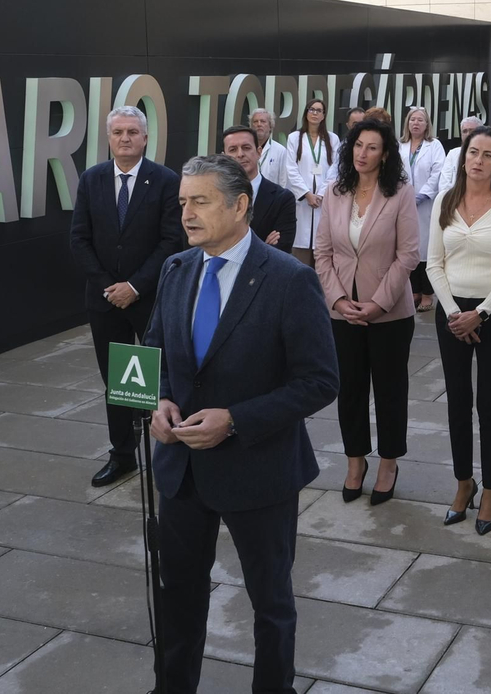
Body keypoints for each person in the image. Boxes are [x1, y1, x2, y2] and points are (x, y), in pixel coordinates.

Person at [144, 155, 338, 694]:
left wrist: (235, 421)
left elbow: (320, 381)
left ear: (240, 205)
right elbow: (155, 348)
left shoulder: (289, 280)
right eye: (183, 202)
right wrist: (156, 402)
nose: (186, 213)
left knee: (270, 604)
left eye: (200, 201)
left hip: (260, 472)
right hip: (181, 472)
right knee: (178, 595)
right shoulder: (177, 269)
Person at [69, 105, 186, 487]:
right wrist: (111, 287)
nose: (125, 138)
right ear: (108, 138)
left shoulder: (166, 180)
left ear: (146, 137)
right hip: (105, 302)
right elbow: (79, 239)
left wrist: (135, 286)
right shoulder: (92, 179)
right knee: (118, 383)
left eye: (132, 132)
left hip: (150, 299)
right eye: (118, 132)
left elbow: (171, 239)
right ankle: (123, 455)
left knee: (163, 379)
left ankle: (169, 451)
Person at [314, 119, 420, 504]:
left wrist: (378, 303)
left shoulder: (400, 194)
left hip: (389, 313)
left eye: (372, 147)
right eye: (358, 145)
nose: (363, 153)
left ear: (386, 153)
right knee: (350, 390)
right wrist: (339, 301)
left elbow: (408, 255)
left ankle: (388, 462)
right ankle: (355, 461)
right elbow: (322, 254)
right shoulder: (334, 191)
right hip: (342, 312)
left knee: (390, 390)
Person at [427, 126, 491, 535]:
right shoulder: (444, 201)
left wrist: (480, 314)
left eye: (488, 154)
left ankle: (490, 489)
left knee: (489, 403)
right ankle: (463, 482)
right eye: (473, 152)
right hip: (451, 313)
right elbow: (433, 263)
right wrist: (454, 313)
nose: (479, 160)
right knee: (457, 402)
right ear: (463, 157)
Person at [401, 106, 447, 312]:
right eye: (413, 120)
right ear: (407, 123)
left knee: (427, 249)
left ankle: (428, 293)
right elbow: (392, 170)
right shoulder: (400, 145)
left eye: (420, 120)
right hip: (403, 203)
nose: (416, 123)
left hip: (426, 204)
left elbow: (438, 172)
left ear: (427, 124)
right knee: (408, 246)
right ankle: (414, 290)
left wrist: (422, 195)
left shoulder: (434, 145)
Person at [223, 125, 296, 253]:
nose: (240, 154)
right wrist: (263, 245)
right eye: (233, 149)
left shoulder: (282, 199)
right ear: (224, 157)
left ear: (259, 152)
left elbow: (281, 250)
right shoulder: (215, 197)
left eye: (246, 148)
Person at [287, 98, 340, 266]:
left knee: (322, 251)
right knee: (300, 251)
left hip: (323, 201)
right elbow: (291, 168)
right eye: (312, 109)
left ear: (324, 115)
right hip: (302, 201)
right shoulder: (294, 138)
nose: (315, 113)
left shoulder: (332, 139)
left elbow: (335, 169)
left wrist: (321, 194)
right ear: (306, 113)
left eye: (319, 110)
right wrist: (306, 194)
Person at [250, 108, 304, 197]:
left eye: (263, 121)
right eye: (255, 122)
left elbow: (284, 182)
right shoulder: (245, 150)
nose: (259, 124)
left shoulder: (280, 151)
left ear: (270, 126)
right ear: (251, 126)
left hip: (271, 202)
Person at [438, 116, 484, 194]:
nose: (468, 134)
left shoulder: (485, 154)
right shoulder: (453, 153)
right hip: (454, 200)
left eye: (472, 130)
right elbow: (444, 183)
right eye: (464, 131)